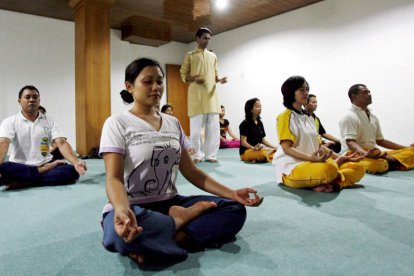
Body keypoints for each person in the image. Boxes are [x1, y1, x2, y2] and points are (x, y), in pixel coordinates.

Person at [99, 58, 263, 266]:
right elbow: (113, 178)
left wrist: (231, 193)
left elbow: (191, 171)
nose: (156, 87)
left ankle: (157, 239)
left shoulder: (172, 123)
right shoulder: (117, 123)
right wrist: (122, 210)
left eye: (159, 81)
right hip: (133, 205)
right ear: (129, 86)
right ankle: (175, 230)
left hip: (170, 201)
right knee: (118, 233)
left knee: (234, 210)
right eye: (148, 82)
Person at [273, 76, 365, 192]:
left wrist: (342, 158)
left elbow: (319, 147)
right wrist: (310, 158)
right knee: (329, 168)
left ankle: (333, 183)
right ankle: (332, 179)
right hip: (292, 167)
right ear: (291, 92)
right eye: (302, 90)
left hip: (313, 163)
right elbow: (287, 149)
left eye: (307, 89)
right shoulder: (285, 116)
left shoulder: (309, 118)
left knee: (359, 167)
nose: (306, 93)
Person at [0, 85, 87, 189]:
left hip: (45, 162)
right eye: (27, 97)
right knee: (5, 168)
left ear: (39, 100)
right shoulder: (10, 121)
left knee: (71, 171)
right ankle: (38, 174)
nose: (31, 100)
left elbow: (61, 143)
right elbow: (3, 143)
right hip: (20, 165)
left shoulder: (49, 120)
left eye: (35, 97)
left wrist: (76, 162)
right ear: (19, 101)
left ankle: (25, 181)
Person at [339, 84, 414, 174]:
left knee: (412, 152)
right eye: (365, 92)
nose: (369, 94)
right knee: (376, 166)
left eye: (369, 92)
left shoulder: (373, 117)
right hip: (354, 154)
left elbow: (380, 141)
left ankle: (389, 161)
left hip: (373, 153)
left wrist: (406, 148)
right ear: (354, 96)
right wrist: (365, 154)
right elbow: (350, 142)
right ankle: (391, 161)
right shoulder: (349, 116)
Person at [180, 27, 227, 164]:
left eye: (209, 38)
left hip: (211, 98)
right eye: (204, 38)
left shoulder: (213, 56)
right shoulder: (190, 55)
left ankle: (211, 155)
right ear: (198, 38)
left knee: (213, 129)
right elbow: (183, 74)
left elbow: (215, 76)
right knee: (195, 131)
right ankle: (197, 155)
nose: (207, 41)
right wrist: (193, 77)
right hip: (196, 98)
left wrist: (220, 80)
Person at [239, 98, 277, 163]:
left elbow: (263, 140)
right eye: (257, 106)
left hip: (258, 150)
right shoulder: (245, 124)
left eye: (260, 106)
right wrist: (253, 148)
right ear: (250, 109)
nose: (260, 108)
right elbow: (243, 142)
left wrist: (275, 147)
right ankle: (257, 157)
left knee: (276, 151)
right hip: (246, 151)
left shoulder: (260, 123)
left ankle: (257, 158)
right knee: (263, 154)